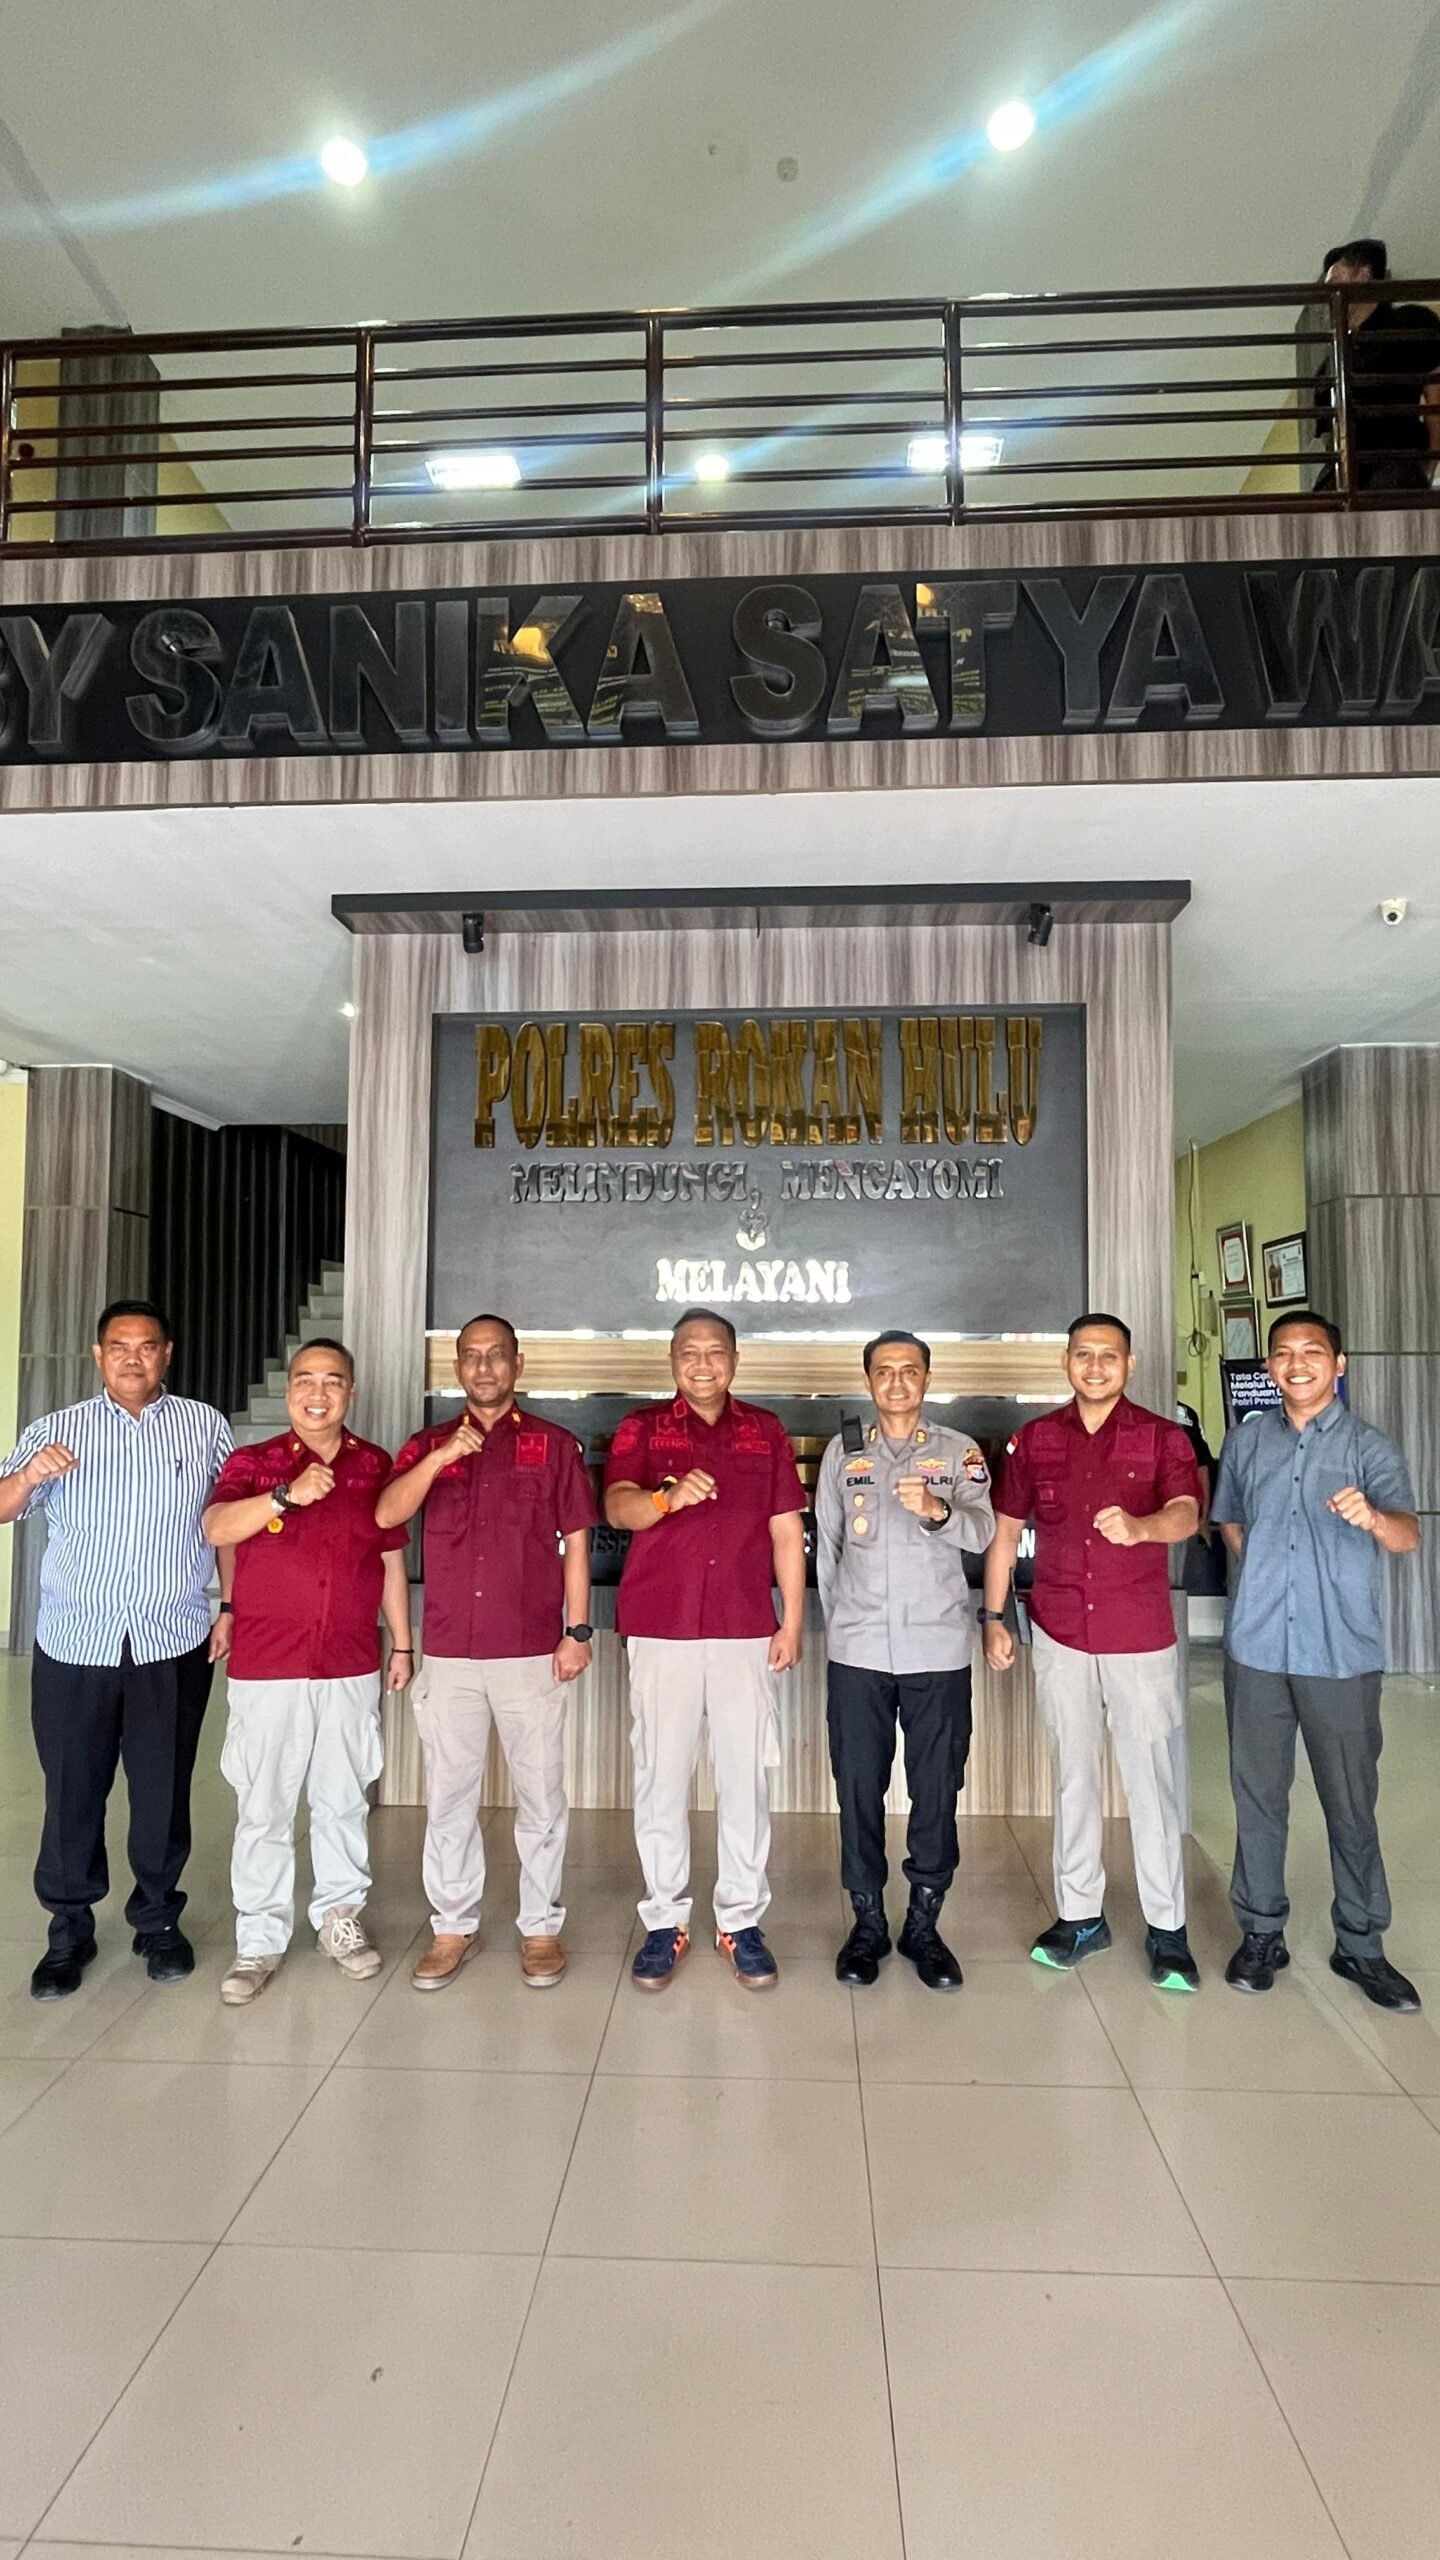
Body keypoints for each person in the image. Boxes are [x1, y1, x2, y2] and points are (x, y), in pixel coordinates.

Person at [0, 1300, 233, 2000]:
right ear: (98, 1355)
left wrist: (230, 1606)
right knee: (73, 1789)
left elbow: (227, 1522)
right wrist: (30, 1475)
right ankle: (69, 1928)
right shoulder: (56, 1429)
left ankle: (157, 1919)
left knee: (163, 1788)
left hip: (172, 1638)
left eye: (147, 1345)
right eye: (119, 1346)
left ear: (168, 1354)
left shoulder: (204, 1427)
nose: (134, 1357)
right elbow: (3, 1506)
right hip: (76, 1643)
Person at [983, 1313, 1203, 1990]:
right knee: (1073, 1777)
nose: (1097, 1366)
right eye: (1084, 1354)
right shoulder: (1035, 1439)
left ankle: (1168, 1930)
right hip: (1061, 1634)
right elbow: (1005, 1532)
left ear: (1129, 1365)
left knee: (1151, 1783)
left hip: (1138, 1635)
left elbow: (1187, 1513)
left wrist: (1141, 1527)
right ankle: (1080, 1917)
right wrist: (993, 1616)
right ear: (1067, 1362)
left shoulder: (1163, 1437)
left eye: (1110, 1356)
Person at [377, 1314, 597, 1989]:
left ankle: (541, 1927)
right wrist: (440, 1458)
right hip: (450, 1651)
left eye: (496, 1355)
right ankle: (452, 1925)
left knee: (541, 1797)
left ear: (517, 1365)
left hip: (531, 1651)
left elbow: (578, 1542)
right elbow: (386, 1515)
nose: (482, 1367)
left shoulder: (553, 1445)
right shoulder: (427, 1444)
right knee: (449, 1796)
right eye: (470, 1356)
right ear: (457, 1368)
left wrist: (578, 1631)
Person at [1211, 1310, 1422, 2012]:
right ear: (1270, 1367)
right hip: (1258, 1648)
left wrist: (1374, 1518)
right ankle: (1261, 1932)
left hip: (1340, 1653)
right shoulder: (1245, 1441)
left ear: (1339, 1364)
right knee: (1258, 1795)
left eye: (1311, 1352)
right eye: (1283, 1353)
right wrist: (1267, 1573)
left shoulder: (1368, 1445)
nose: (1296, 1363)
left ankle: (1360, 1943)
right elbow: (1230, 1519)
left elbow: (1407, 1535)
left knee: (1350, 1802)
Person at [203, 1338, 413, 2005]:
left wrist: (402, 1645)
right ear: (290, 1389)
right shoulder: (254, 1462)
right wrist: (284, 1496)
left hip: (348, 1661)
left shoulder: (373, 1465)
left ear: (351, 1392)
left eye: (332, 1381)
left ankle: (339, 1918)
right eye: (304, 1380)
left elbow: (388, 1559)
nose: (317, 1393)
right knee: (263, 1805)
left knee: (342, 1798)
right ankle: (260, 1937)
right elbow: (217, 1528)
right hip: (268, 1663)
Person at [603, 1308, 807, 1992]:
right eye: (689, 1351)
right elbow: (617, 1506)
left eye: (714, 1351)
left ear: (734, 1361)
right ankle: (665, 1920)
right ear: (672, 1361)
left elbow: (786, 1531)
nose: (702, 1363)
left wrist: (791, 1621)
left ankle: (740, 1921)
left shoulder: (765, 1430)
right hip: (661, 1626)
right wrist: (665, 1499)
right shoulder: (641, 1428)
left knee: (745, 1777)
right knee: (661, 1776)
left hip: (744, 1626)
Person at [814, 1329, 994, 1992]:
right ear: (869, 1381)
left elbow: (984, 1531)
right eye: (884, 1371)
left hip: (936, 1650)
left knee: (936, 1788)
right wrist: (843, 1627)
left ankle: (923, 1924)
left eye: (909, 1370)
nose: (896, 1381)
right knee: (858, 1786)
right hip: (858, 1652)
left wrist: (939, 1509)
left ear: (927, 1378)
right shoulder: (844, 1451)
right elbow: (827, 1550)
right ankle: (867, 1924)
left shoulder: (958, 1451)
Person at [1314, 238, 1440, 491]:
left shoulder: (1409, 324)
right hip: (1343, 471)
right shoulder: (1332, 361)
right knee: (1309, 509)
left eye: (1335, 281)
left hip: (1396, 460)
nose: (1330, 294)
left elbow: (1436, 401)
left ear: (1364, 275)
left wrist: (1429, 465)